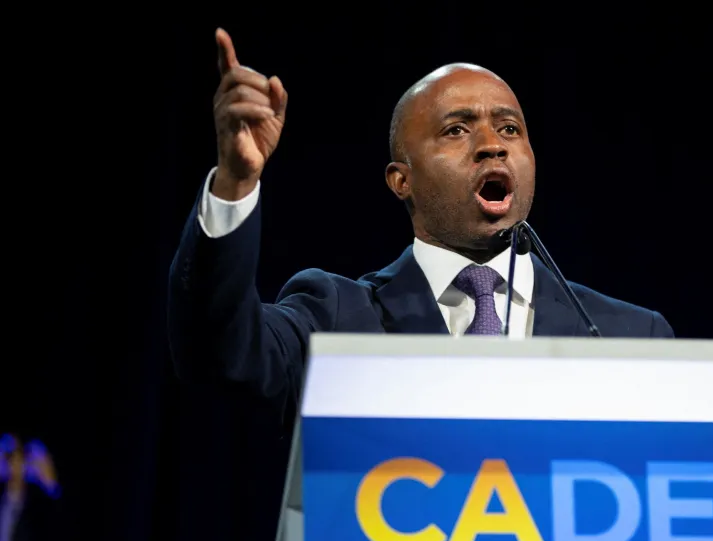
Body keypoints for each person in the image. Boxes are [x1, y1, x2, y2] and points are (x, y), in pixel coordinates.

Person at [167, 29, 674, 426]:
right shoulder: (337, 318)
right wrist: (235, 182)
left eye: (510, 129)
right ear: (400, 181)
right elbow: (220, 357)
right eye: (457, 129)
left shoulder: (626, 334)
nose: (492, 144)